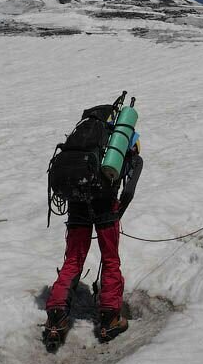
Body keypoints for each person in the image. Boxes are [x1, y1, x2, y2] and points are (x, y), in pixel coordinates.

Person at [44, 122, 143, 348]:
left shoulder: (89, 142)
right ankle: (110, 319)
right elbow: (128, 191)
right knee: (110, 260)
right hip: (106, 207)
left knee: (72, 261)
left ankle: (56, 321)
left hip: (77, 203)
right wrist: (117, 212)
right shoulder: (125, 152)